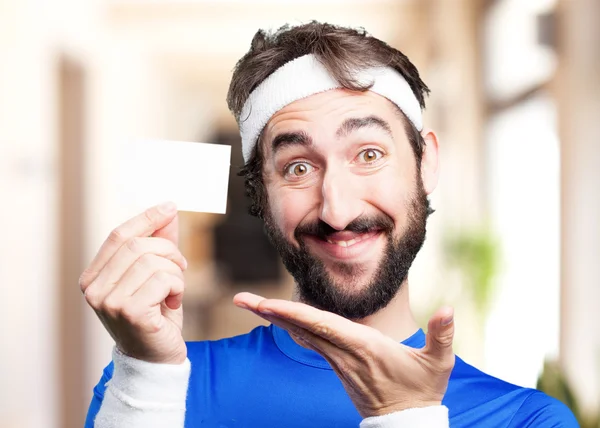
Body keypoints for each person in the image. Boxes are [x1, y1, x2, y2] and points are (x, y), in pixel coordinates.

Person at [81, 22, 578, 427]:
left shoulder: (528, 420)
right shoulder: (157, 381)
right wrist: (147, 377)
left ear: (426, 165)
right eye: (298, 166)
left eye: (368, 153)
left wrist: (407, 418)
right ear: (261, 196)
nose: (336, 211)